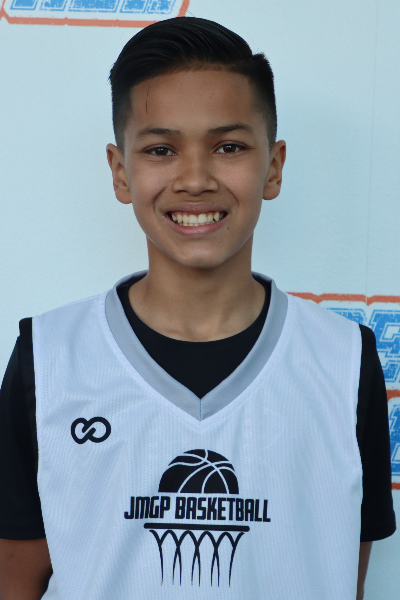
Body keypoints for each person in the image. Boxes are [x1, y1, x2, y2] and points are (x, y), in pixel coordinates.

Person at [0, 17, 396, 600]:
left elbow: (340, 571)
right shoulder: (51, 357)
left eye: (228, 147)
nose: (194, 179)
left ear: (274, 167)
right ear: (120, 172)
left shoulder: (342, 361)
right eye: (161, 150)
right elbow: (17, 578)